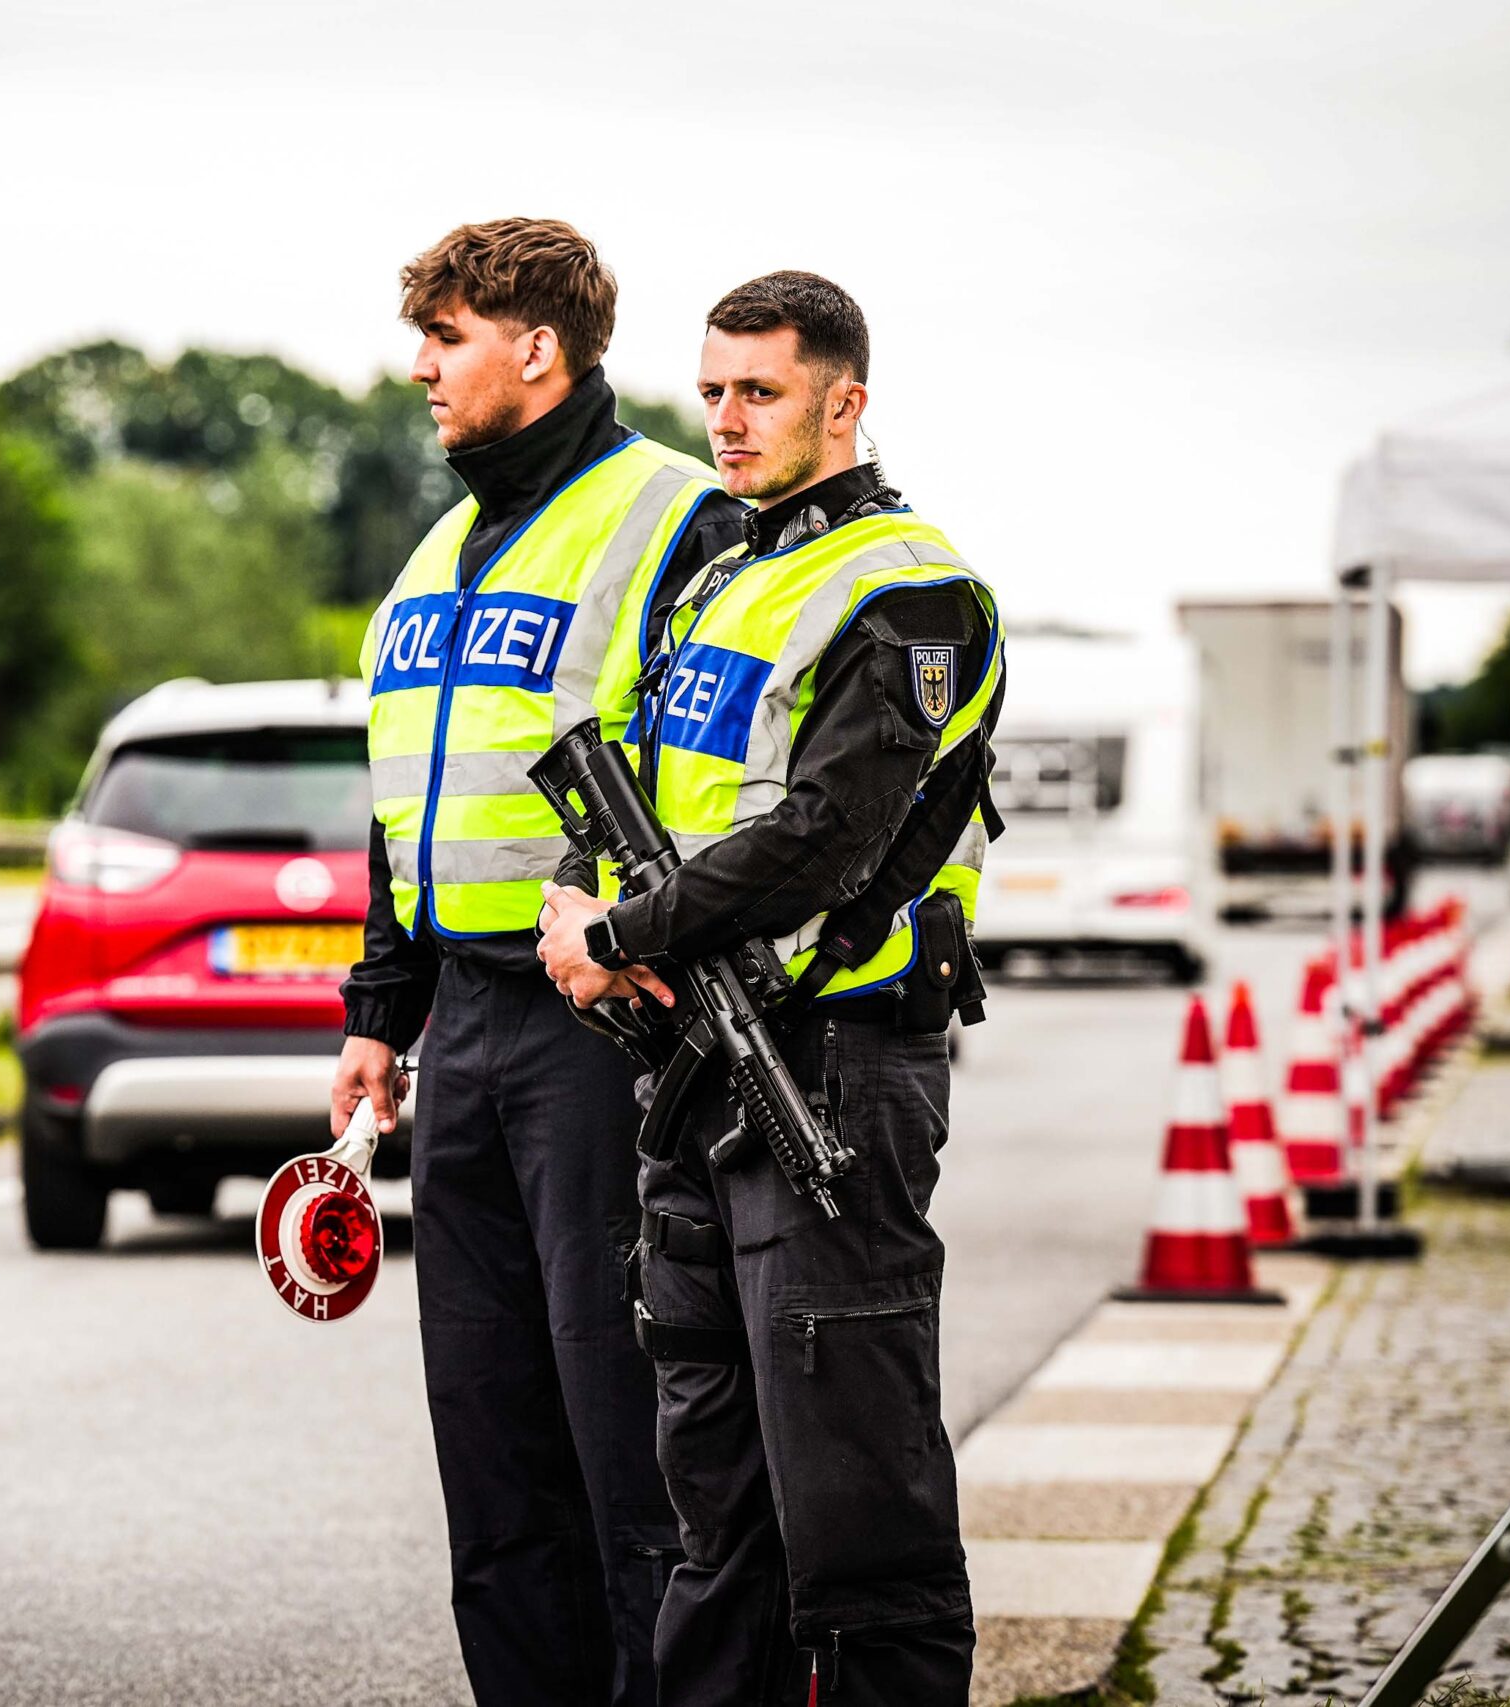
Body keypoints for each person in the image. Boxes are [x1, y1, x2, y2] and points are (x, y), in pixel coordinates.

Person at [538, 270, 1005, 1705]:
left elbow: (826, 836)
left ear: (843, 401)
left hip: (836, 1073)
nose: (726, 422)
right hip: (695, 1075)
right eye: (715, 390)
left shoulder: (912, 592)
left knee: (860, 1516)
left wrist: (624, 935)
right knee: (714, 1518)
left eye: (761, 392)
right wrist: (577, 895)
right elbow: (622, 770)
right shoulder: (719, 574)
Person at [332, 218, 747, 1707]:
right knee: (491, 1438)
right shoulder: (436, 554)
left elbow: (722, 779)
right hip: (463, 1037)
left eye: (445, 339)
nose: (423, 371)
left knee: (623, 1430)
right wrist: (383, 1012)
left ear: (537, 347)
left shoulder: (676, 518)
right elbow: (400, 808)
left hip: (608, 1032)